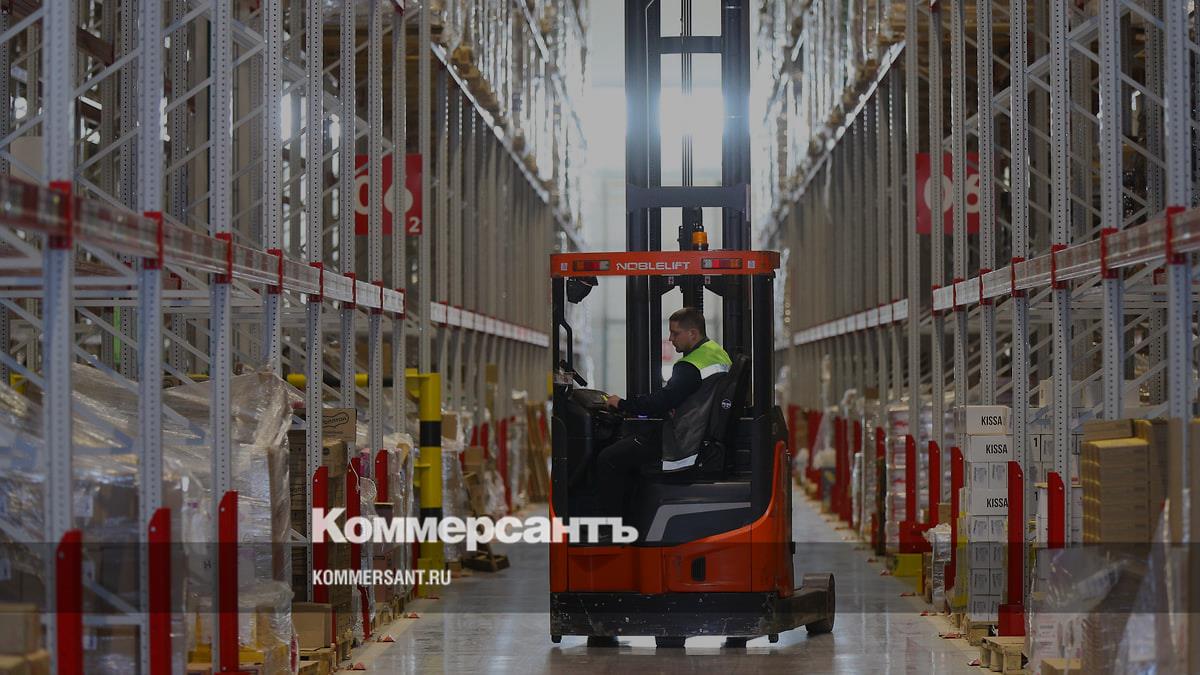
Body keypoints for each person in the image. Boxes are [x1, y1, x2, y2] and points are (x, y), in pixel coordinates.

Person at [595, 307, 732, 517]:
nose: (670, 339)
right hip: (701, 432)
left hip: (684, 440)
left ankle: (611, 528)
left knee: (608, 458)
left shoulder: (689, 366)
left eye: (675, 333)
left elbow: (660, 402)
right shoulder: (717, 353)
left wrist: (621, 403)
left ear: (693, 333)